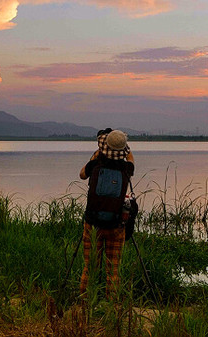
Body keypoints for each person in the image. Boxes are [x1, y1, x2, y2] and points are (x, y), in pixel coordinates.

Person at [79, 128, 135, 298]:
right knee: (113, 269)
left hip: (92, 224)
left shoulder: (96, 164)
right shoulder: (127, 168)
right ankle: (112, 305)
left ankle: (85, 303)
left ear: (104, 147)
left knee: (90, 267)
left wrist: (97, 154)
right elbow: (130, 157)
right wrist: (126, 149)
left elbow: (82, 175)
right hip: (116, 226)